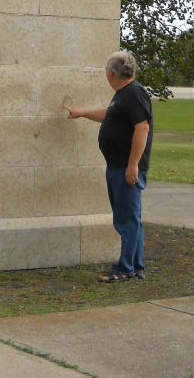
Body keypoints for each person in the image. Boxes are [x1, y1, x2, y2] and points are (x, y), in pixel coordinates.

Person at [64, 50, 153, 282]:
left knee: (126, 219)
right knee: (129, 218)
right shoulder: (123, 95)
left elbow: (142, 128)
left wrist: (133, 165)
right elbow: (109, 115)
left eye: (106, 71)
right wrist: (81, 113)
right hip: (118, 166)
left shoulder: (134, 93)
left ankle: (126, 269)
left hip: (126, 168)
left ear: (111, 73)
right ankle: (135, 266)